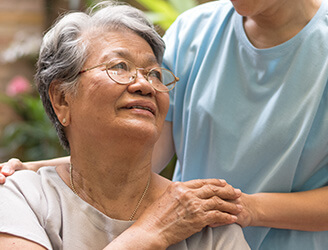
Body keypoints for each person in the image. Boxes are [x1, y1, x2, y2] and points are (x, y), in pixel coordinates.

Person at [1, 0, 328, 249]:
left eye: (154, 74)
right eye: (119, 66)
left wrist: (240, 208)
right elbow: (137, 144)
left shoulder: (212, 229)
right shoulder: (196, 31)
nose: (144, 84)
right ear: (61, 99)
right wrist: (33, 171)